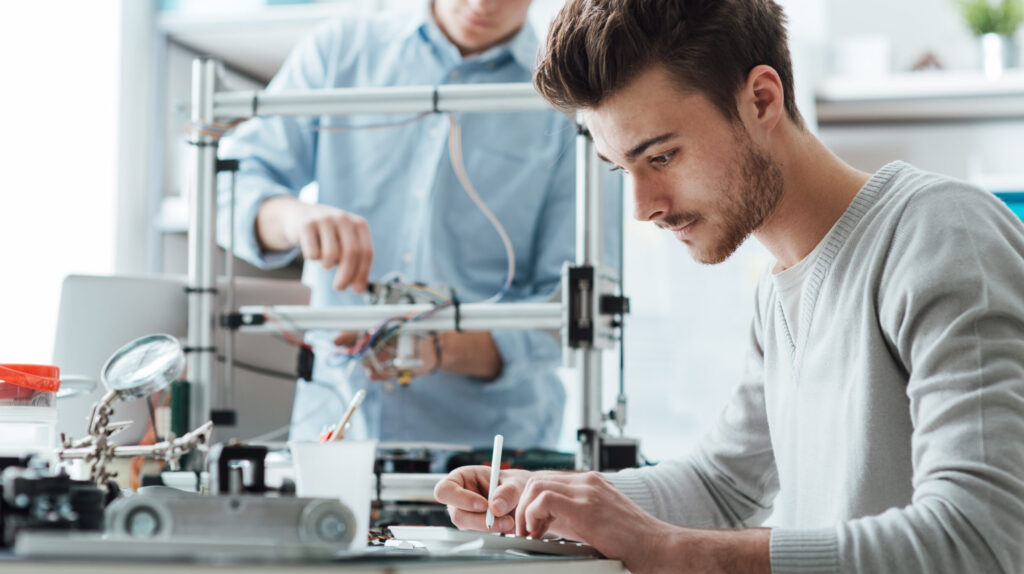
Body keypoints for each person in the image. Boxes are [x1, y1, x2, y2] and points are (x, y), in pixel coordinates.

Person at [434, 0, 1024, 572]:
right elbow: (721, 487)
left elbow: (980, 537)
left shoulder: (942, 234)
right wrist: (546, 494)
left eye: (661, 157)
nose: (641, 208)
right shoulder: (780, 291)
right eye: (622, 169)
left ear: (761, 99)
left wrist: (669, 551)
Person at [217, 0, 580, 449]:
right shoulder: (341, 51)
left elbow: (574, 307)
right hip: (331, 431)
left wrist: (441, 348)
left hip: (489, 452)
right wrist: (293, 217)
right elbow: (227, 185)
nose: (485, 3)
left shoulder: (569, 98)